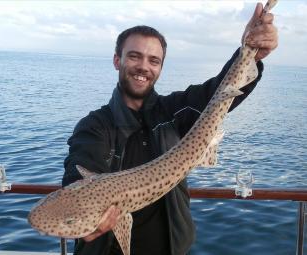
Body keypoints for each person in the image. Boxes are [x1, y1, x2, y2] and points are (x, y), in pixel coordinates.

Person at [62, 3, 278, 255]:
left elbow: (219, 93)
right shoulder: (95, 126)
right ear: (116, 60)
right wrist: (80, 216)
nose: (144, 66)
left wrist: (250, 52)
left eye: (154, 60)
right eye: (134, 56)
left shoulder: (175, 110)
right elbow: (79, 169)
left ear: (160, 68)